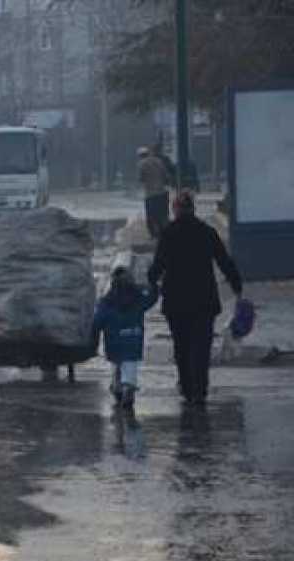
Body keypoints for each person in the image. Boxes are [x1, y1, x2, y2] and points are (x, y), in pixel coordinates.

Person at [148, 191, 243, 405]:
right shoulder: (207, 232)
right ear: (193, 209)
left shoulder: (168, 233)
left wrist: (150, 279)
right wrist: (237, 285)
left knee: (181, 345)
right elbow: (224, 261)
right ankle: (200, 388)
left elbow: (157, 266)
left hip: (176, 301)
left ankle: (186, 385)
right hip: (204, 300)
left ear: (175, 210)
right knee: (201, 346)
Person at [91, 267, 159, 408]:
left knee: (117, 365)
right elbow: (152, 298)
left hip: (114, 343)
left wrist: (93, 340)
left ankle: (117, 386)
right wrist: (154, 286)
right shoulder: (138, 299)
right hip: (133, 339)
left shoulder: (106, 302)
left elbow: (97, 322)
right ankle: (128, 387)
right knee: (130, 366)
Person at [137, 147, 170, 240]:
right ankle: (165, 233)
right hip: (162, 193)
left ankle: (154, 235)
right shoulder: (159, 161)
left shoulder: (141, 164)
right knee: (163, 215)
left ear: (140, 156)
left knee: (151, 215)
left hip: (150, 194)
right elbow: (166, 175)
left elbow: (141, 178)